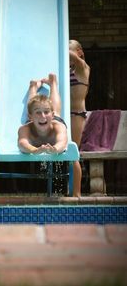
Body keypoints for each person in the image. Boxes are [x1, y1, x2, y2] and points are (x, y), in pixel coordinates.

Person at [18, 73, 68, 155]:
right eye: (38, 113)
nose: (43, 116)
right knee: (33, 105)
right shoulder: (25, 129)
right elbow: (22, 144)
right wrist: (34, 150)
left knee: (55, 112)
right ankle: (33, 87)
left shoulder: (59, 127)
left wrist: (55, 149)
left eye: (46, 112)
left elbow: (62, 142)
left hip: (53, 121)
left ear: (52, 115)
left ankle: (53, 83)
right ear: (30, 117)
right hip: (32, 122)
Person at [69, 39, 90, 197]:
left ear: (80, 52)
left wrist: (59, 45)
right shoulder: (66, 69)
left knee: (73, 152)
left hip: (77, 114)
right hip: (65, 115)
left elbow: (75, 59)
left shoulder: (83, 67)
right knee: (64, 152)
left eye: (70, 50)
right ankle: (66, 190)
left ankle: (77, 194)